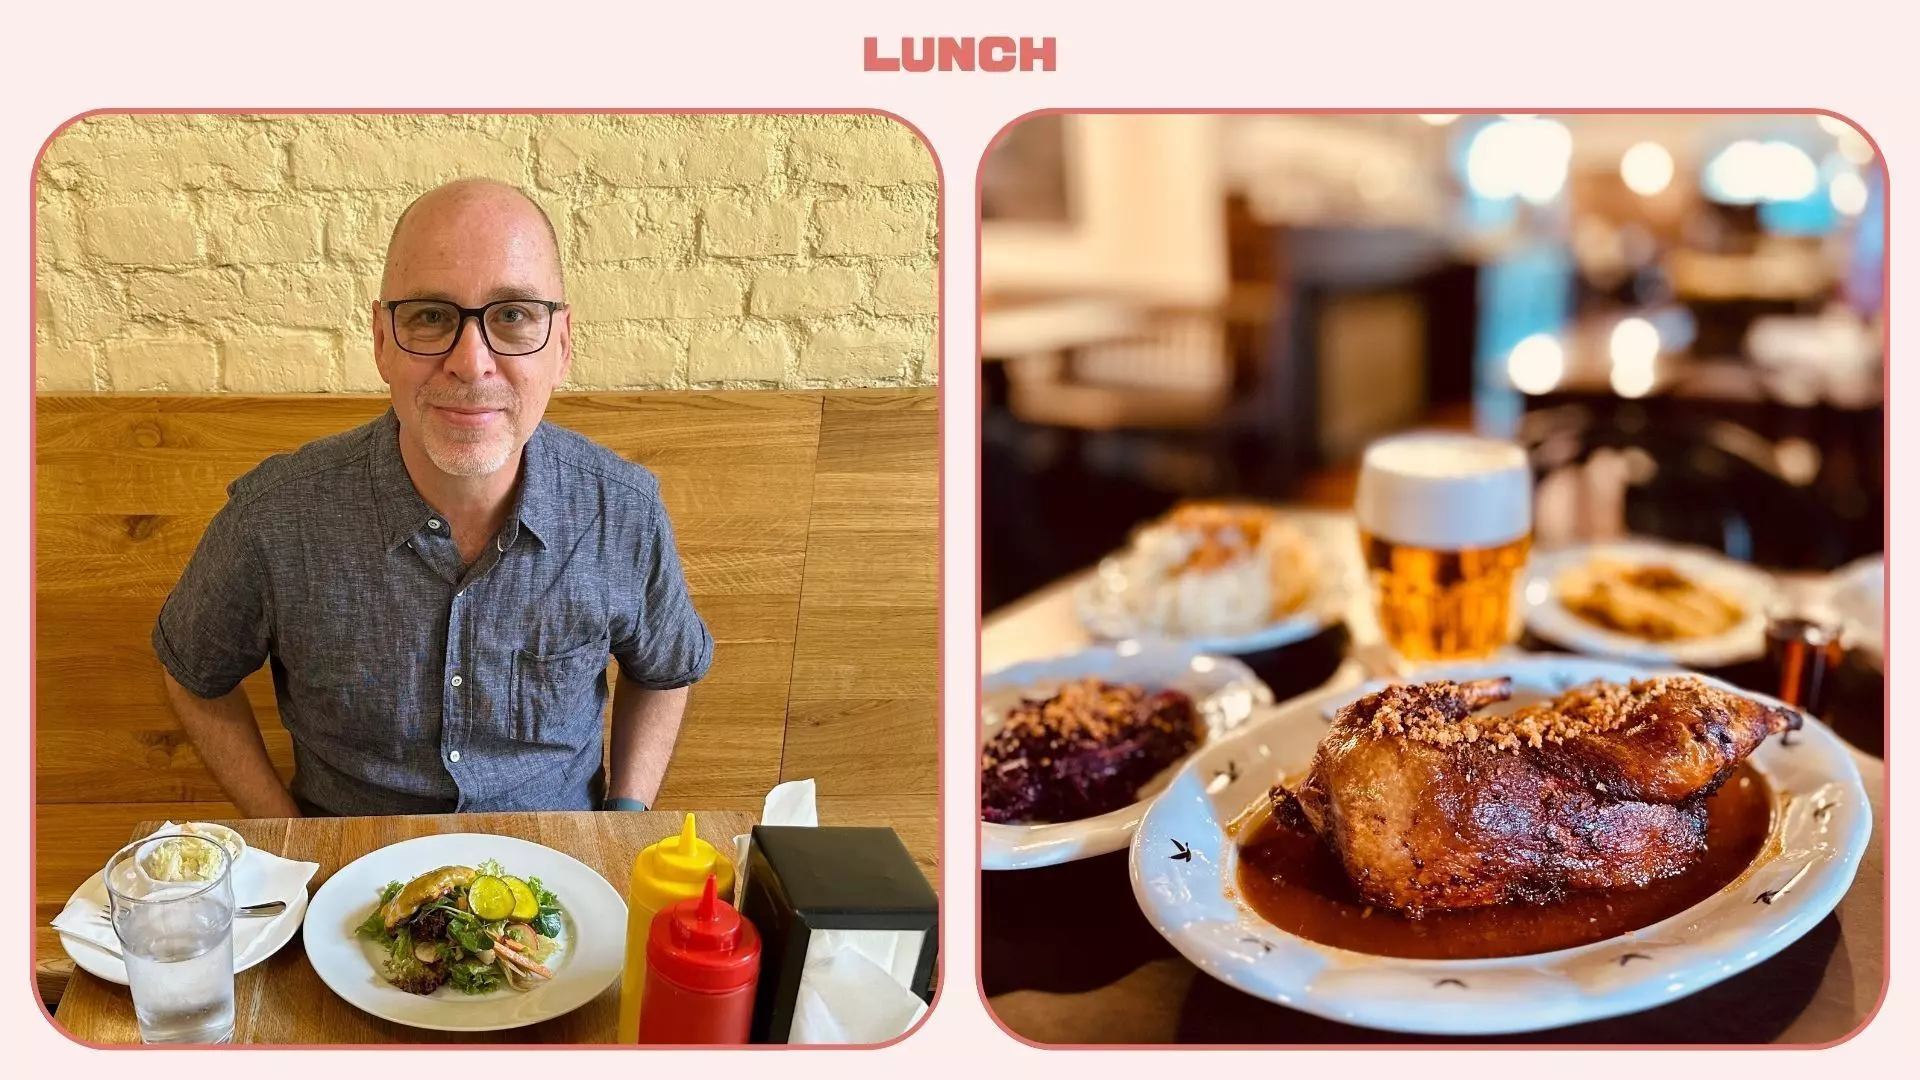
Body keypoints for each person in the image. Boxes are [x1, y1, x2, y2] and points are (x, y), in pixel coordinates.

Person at [152, 178, 713, 817]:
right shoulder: (272, 519)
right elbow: (192, 672)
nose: (471, 364)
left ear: (561, 344)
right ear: (382, 340)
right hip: (345, 880)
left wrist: (625, 819)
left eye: (513, 315)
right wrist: (286, 841)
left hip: (560, 878)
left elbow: (666, 670)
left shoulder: (624, 512)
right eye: (429, 316)